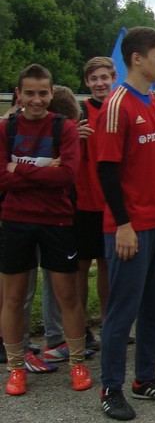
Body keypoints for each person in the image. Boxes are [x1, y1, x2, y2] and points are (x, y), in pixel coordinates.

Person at [96, 27, 155, 421]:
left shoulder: (153, 101)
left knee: (154, 304)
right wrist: (123, 224)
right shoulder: (118, 105)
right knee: (123, 309)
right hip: (131, 227)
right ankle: (111, 387)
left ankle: (145, 378)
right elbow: (106, 170)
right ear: (137, 59)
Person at [0, 64, 91, 396]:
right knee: (11, 297)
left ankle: (77, 363)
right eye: (29, 93)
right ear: (19, 94)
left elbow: (67, 176)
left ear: (51, 94)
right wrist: (43, 168)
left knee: (67, 295)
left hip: (57, 220)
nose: (36, 100)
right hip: (15, 220)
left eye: (42, 93)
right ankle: (15, 367)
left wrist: (18, 167)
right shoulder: (6, 128)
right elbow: (0, 177)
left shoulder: (64, 128)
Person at [74, 56, 115, 347]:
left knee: (107, 265)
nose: (100, 83)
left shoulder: (118, 109)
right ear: (87, 82)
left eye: (104, 77)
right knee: (79, 266)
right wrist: (73, 136)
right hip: (82, 200)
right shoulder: (79, 112)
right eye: (94, 79)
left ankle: (108, 324)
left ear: (113, 78)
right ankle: (79, 328)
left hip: (111, 202)